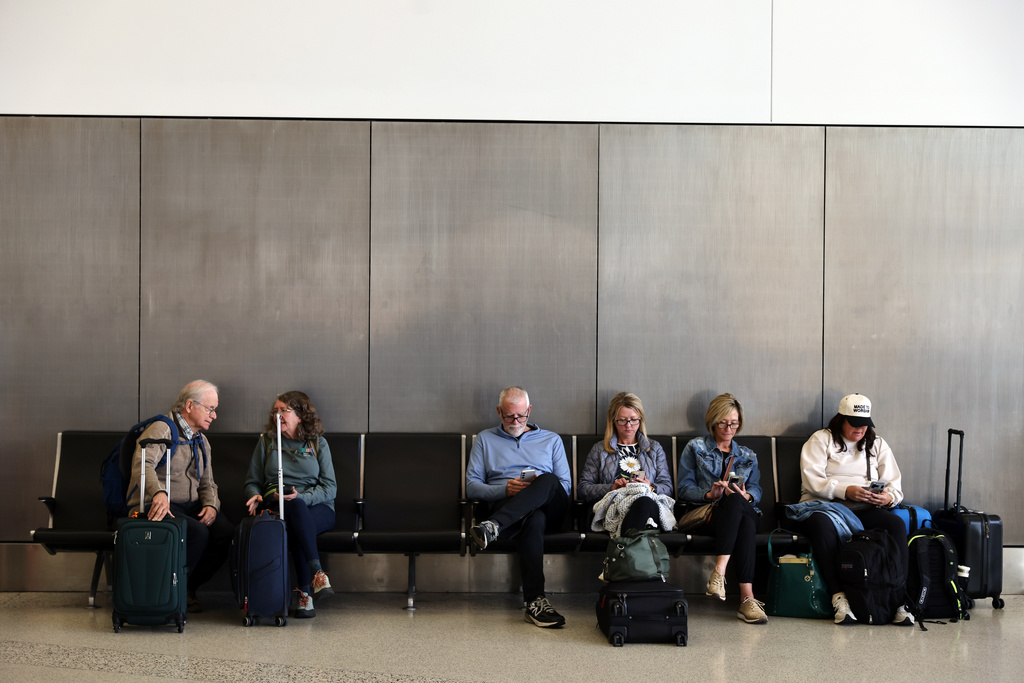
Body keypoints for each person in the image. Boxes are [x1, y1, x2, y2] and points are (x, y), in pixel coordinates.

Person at [787, 393, 913, 626]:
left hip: (865, 507)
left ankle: (899, 600)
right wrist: (846, 490)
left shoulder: (878, 444)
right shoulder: (820, 440)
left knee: (896, 524)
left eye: (865, 424)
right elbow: (811, 481)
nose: (860, 429)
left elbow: (895, 486)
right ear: (840, 420)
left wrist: (886, 498)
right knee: (821, 525)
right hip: (824, 506)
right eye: (854, 424)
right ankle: (839, 597)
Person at [467, 386, 572, 628]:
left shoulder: (551, 439)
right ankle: (535, 602)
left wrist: (535, 490)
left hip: (549, 507)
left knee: (549, 479)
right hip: (508, 505)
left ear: (530, 410)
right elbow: (472, 487)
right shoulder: (484, 439)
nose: (515, 421)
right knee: (532, 519)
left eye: (521, 415)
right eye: (509, 416)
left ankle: (492, 527)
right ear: (498, 412)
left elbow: (564, 487)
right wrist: (505, 489)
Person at [126, 380, 233, 612]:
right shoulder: (161, 429)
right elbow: (142, 466)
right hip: (157, 502)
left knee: (224, 533)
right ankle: (169, 590)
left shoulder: (202, 441)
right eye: (210, 409)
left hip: (189, 504)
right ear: (189, 405)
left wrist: (212, 506)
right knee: (196, 533)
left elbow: (208, 483)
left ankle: (186, 587)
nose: (214, 416)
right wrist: (159, 493)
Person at [244, 391, 337, 619]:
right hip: (278, 504)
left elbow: (330, 488)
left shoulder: (318, 443)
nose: (278, 415)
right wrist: (256, 495)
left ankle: (305, 590)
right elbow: (252, 482)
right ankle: (315, 577)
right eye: (275, 410)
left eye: (283, 410)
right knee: (294, 515)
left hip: (318, 507)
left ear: (300, 414)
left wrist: (301, 498)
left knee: (297, 513)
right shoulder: (266, 442)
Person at [677, 393, 768, 624]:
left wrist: (747, 495)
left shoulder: (747, 455)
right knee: (741, 515)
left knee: (738, 502)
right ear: (712, 421)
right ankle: (747, 599)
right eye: (723, 422)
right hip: (709, 516)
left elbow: (756, 489)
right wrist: (710, 494)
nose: (729, 428)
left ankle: (719, 573)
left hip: (742, 512)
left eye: (734, 423)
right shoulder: (695, 448)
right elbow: (684, 489)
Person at [578, 392, 675, 536]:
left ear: (640, 420)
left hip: (646, 505)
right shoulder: (600, 450)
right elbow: (583, 489)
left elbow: (667, 487)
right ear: (613, 421)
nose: (629, 426)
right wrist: (611, 488)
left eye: (633, 420)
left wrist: (651, 486)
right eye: (623, 420)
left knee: (644, 503)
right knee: (638, 510)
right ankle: (629, 551)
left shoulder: (654, 448)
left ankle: (621, 549)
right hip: (615, 506)